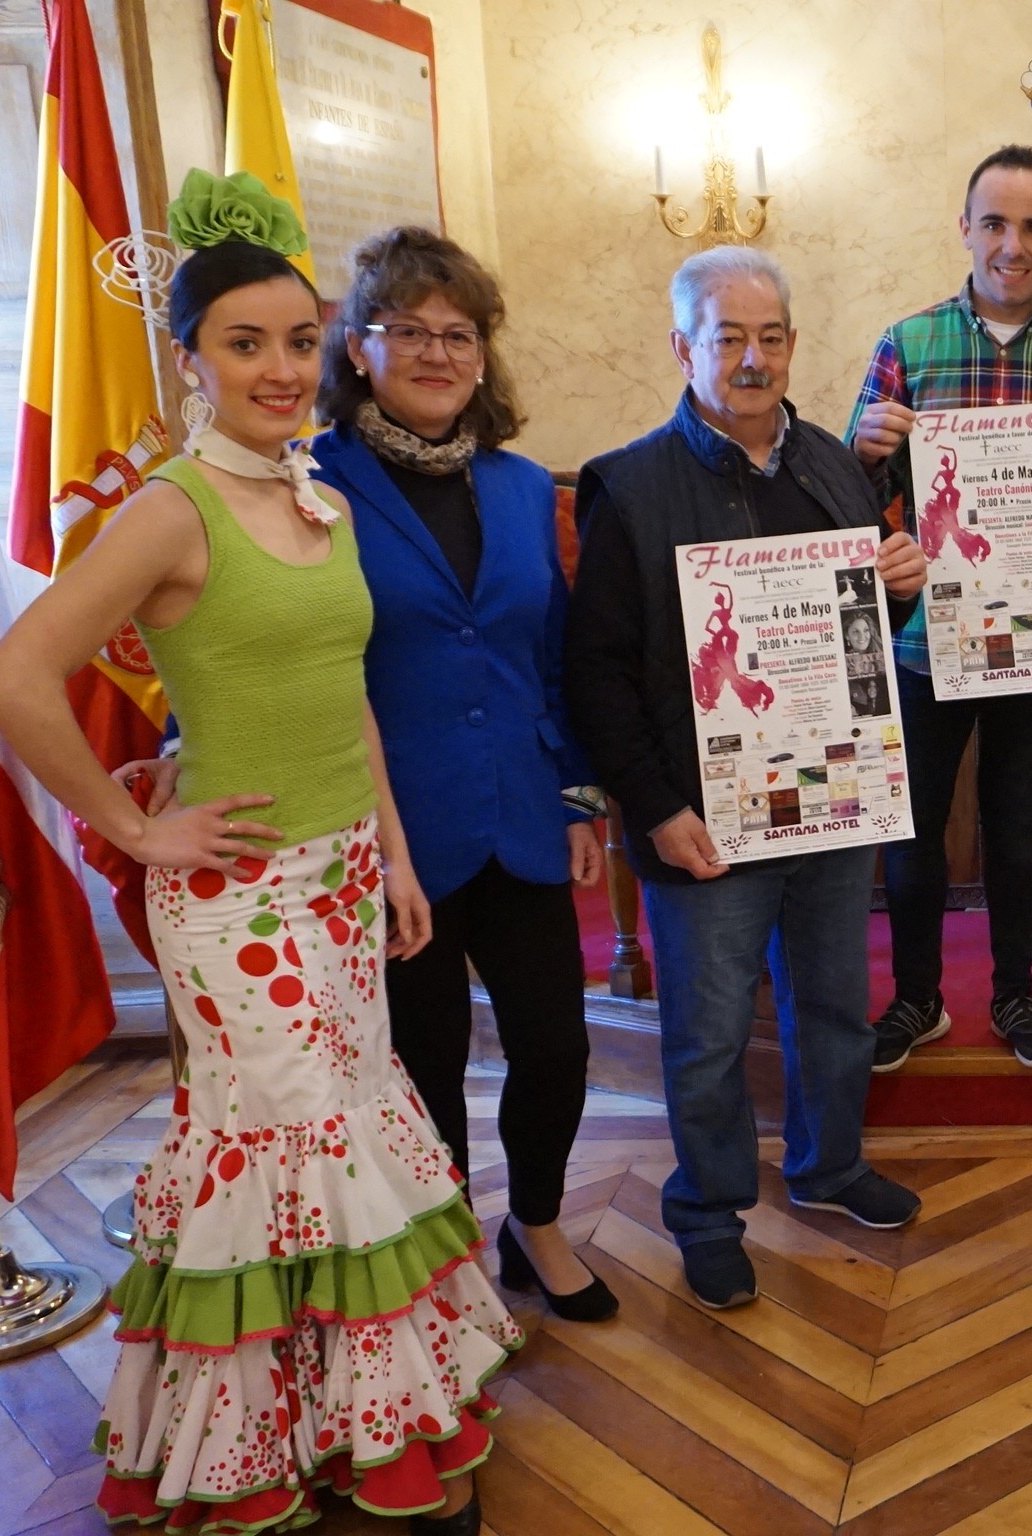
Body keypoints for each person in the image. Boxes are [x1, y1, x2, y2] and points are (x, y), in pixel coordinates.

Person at [0, 170, 510, 1535]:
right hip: (233, 901)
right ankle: (256, 1448)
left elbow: (348, 699)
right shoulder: (171, 509)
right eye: (243, 343)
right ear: (191, 356)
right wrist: (138, 824)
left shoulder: (312, 488)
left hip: (335, 881)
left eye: (295, 340)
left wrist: (389, 853)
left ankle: (363, 1422)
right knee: (280, 1153)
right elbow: (15, 678)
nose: (278, 368)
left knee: (347, 1142)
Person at [564, 246, 930, 1312]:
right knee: (710, 1030)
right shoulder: (628, 488)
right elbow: (597, 677)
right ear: (685, 347)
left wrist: (898, 589)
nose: (753, 357)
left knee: (832, 1003)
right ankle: (708, 1211)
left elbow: (859, 638)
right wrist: (656, 810)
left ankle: (828, 1166)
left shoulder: (831, 463)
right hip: (700, 817)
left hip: (830, 796)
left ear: (794, 345)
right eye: (728, 337)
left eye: (771, 337)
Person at [309, 227, 614, 1323]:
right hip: (391, 833)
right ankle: (443, 1266)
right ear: (356, 347)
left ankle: (532, 1223)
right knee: (422, 1069)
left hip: (526, 813)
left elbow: (551, 653)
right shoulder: (313, 486)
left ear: (483, 355)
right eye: (409, 331)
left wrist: (581, 792)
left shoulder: (525, 485)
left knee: (556, 1045)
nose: (438, 353)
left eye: (460, 334)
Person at [845, 144, 1032, 1071]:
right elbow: (849, 498)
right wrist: (862, 447)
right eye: (996, 224)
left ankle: (1015, 993)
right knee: (916, 829)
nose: (1014, 245)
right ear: (965, 230)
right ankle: (918, 998)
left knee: (1016, 827)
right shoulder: (907, 343)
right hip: (929, 640)